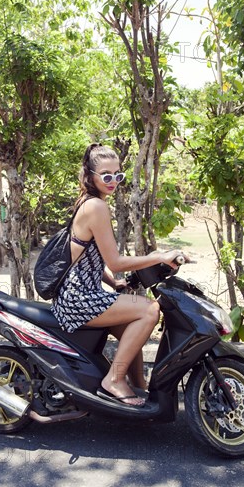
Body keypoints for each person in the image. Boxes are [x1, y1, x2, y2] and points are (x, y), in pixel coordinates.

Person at [51, 143, 186, 407]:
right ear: (90, 176)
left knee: (131, 329)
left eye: (118, 175)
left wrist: (113, 282)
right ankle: (113, 380)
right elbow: (115, 260)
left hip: (81, 293)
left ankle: (138, 386)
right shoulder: (97, 207)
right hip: (78, 299)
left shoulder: (90, 202)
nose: (113, 181)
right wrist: (159, 256)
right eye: (107, 175)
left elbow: (85, 256)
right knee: (149, 310)